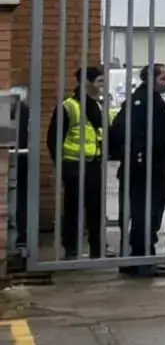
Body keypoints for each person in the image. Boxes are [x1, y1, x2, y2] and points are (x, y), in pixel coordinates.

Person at [110, 61, 165, 278]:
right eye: (164, 77)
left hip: (150, 169)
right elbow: (122, 132)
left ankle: (138, 259)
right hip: (145, 171)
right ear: (150, 79)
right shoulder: (142, 102)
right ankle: (140, 261)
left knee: (145, 215)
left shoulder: (147, 101)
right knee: (145, 216)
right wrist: (141, 158)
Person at [47, 65, 108, 260]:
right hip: (74, 164)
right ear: (86, 83)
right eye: (99, 82)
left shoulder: (98, 104)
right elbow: (53, 139)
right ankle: (71, 249)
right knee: (73, 208)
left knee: (96, 208)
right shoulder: (69, 106)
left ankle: (97, 249)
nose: (103, 86)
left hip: (94, 163)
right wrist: (62, 165)